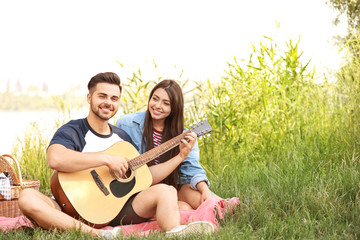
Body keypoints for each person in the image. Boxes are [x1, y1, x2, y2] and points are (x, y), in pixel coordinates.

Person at [18, 72, 214, 238]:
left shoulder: (122, 137)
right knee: (27, 197)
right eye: (102, 96)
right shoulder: (74, 129)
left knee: (167, 191)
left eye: (114, 98)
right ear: (89, 98)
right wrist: (106, 159)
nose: (108, 103)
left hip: (114, 210)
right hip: (66, 205)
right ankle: (99, 235)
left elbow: (143, 177)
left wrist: (180, 156)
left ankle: (175, 232)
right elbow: (56, 159)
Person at [116, 79, 213, 211]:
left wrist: (205, 190)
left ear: (174, 108)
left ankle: (226, 210)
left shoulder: (184, 136)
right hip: (138, 191)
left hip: (173, 188)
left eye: (166, 103)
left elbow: (192, 169)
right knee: (184, 208)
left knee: (209, 200)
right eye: (155, 99)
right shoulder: (126, 124)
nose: (157, 105)